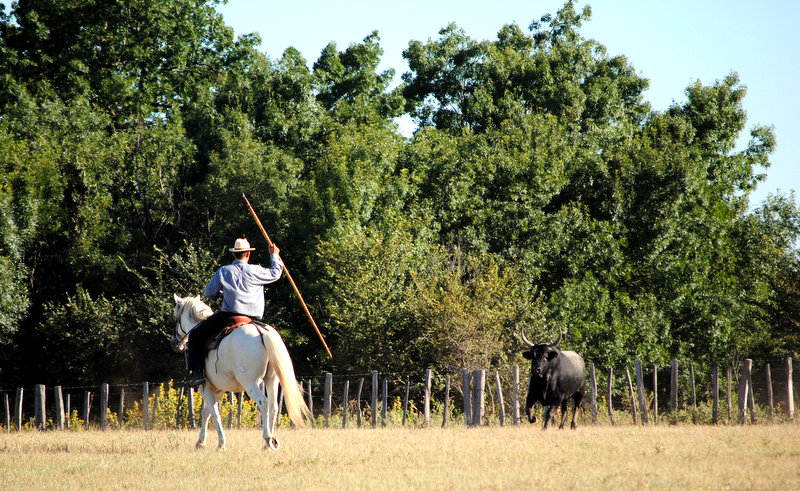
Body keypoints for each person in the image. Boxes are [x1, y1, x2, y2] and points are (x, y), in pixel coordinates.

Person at [186, 237, 284, 385]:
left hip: (230, 317)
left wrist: (221, 293)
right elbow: (276, 273)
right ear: (248, 254)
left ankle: (197, 374)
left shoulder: (224, 271)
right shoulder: (256, 270)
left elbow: (209, 292)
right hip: (253, 319)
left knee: (195, 334)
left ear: (234, 254)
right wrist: (274, 254)